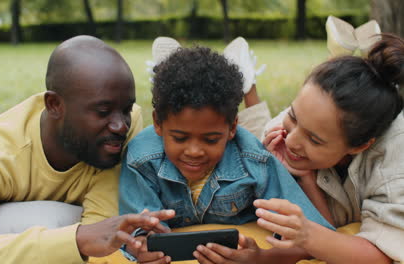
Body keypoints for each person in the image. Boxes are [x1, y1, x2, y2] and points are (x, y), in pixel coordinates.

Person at [0, 35, 176, 264]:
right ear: (54, 105)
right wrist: (77, 240)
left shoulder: (122, 128)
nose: (120, 125)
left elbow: (104, 235)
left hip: (71, 220)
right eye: (103, 112)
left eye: (126, 109)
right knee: (39, 219)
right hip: (11, 225)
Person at [196, 34, 404, 264]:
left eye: (314, 139)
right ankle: (247, 86)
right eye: (293, 116)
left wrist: (307, 235)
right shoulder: (285, 132)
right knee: (257, 138)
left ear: (360, 146)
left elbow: (381, 256)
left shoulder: (395, 161)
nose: (293, 140)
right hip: (275, 136)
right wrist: (303, 174)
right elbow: (326, 222)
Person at [118, 46, 334, 263]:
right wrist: (142, 248)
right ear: (157, 123)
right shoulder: (142, 159)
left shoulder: (254, 159)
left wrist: (263, 258)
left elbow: (313, 234)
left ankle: (249, 84)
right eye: (180, 138)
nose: (194, 152)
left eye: (210, 140)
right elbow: (138, 231)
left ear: (232, 128)